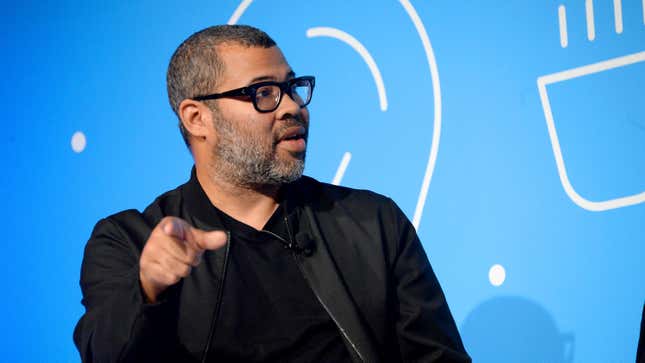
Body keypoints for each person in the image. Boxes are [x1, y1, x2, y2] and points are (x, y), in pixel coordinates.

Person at [73, 24, 471, 363]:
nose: (293, 107)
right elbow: (103, 351)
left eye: (293, 87)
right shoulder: (129, 241)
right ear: (197, 119)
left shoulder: (372, 222)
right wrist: (147, 290)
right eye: (264, 93)